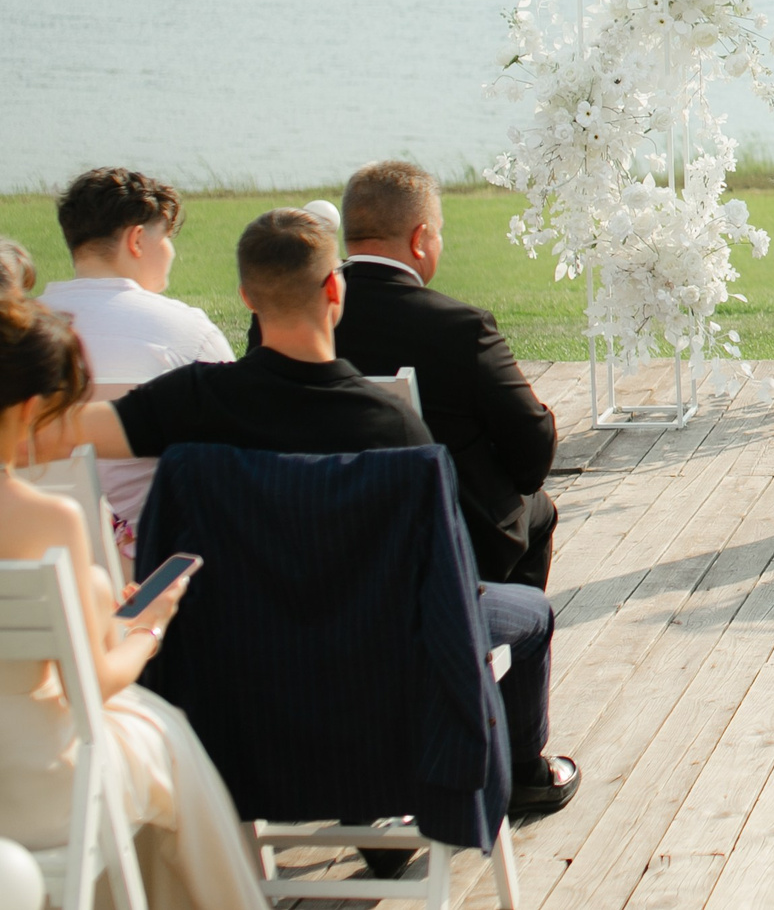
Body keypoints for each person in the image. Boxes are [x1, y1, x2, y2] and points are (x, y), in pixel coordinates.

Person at [36, 209, 579, 819]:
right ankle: (523, 778)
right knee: (530, 614)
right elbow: (443, 589)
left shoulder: (191, 401)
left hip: (240, 688)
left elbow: (53, 433)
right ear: (334, 289)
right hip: (378, 686)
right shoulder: (397, 427)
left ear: (246, 296)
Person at [0, 295, 268, 910]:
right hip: (30, 779)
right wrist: (149, 628)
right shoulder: (48, 519)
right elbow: (90, 686)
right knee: (162, 729)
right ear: (28, 406)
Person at [248, 162, 558, 588]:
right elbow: (531, 456)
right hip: (450, 544)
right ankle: (496, 632)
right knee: (536, 508)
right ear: (420, 239)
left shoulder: (288, 317)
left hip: (316, 529)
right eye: (438, 232)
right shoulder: (461, 328)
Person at [38, 168, 234, 549]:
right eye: (168, 237)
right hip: (155, 564)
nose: (172, 251)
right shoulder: (187, 333)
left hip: (30, 554)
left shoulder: (20, 330)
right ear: (138, 240)